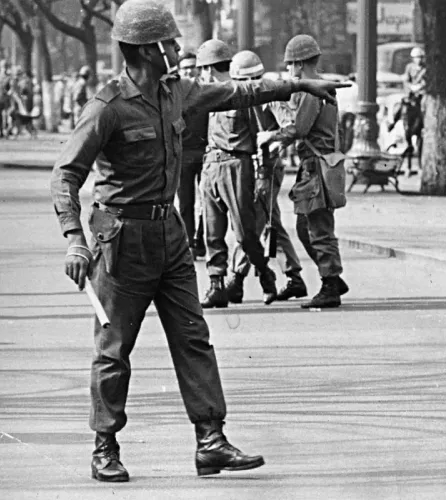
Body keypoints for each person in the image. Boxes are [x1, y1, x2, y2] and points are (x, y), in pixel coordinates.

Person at [49, 0, 348, 482]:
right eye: (168, 43)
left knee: (194, 337)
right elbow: (65, 175)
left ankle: (210, 440)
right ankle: (104, 445)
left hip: (169, 236)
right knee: (113, 349)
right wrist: (74, 240)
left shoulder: (177, 91)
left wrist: (298, 83)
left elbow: (236, 92)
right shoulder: (107, 106)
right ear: (145, 51)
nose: (176, 48)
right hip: (121, 241)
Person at [259, 34, 349, 309]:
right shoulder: (318, 89)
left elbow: (300, 128)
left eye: (289, 65)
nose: (288, 71)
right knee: (305, 225)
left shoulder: (312, 91)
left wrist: (271, 136)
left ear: (299, 65)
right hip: (319, 164)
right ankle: (332, 276)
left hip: (315, 166)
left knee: (317, 228)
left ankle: (330, 284)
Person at [197, 39, 279, 308]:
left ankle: (265, 274)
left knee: (244, 233)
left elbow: (262, 136)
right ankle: (216, 285)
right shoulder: (208, 94)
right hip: (211, 164)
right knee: (212, 230)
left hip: (236, 165)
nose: (201, 74)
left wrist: (264, 174)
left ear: (210, 68)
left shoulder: (241, 94)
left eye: (203, 69)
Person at [223, 50, 308, 305]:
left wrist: (271, 139)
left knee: (253, 223)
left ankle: (236, 278)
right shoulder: (248, 97)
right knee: (270, 221)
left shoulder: (270, 96)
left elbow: (290, 126)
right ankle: (293, 275)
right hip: (253, 166)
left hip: (266, 167)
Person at [177, 51, 208, 258]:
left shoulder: (207, 91)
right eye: (185, 67)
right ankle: (189, 242)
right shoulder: (174, 94)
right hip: (183, 155)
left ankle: (202, 238)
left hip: (207, 154)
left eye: (192, 66)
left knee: (208, 202)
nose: (189, 70)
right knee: (186, 202)